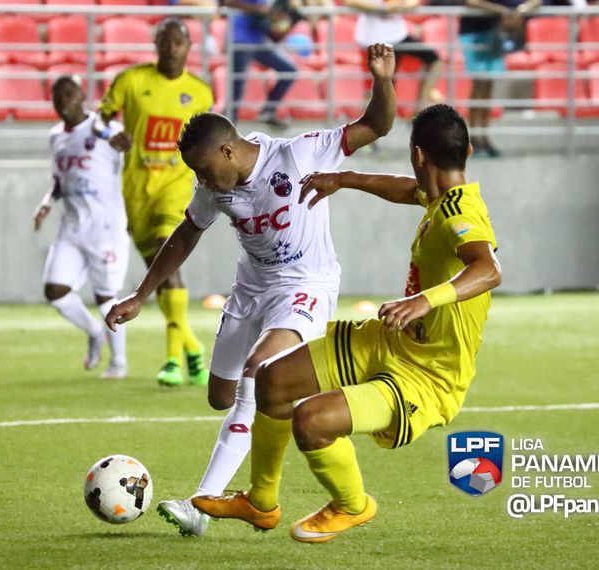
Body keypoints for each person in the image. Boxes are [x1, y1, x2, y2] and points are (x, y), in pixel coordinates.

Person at [105, 43, 397, 538]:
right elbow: (187, 233)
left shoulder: (297, 154)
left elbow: (377, 125)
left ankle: (202, 504)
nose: (200, 181)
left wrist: (383, 79)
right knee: (221, 396)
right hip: (251, 289)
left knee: (256, 376)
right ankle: (307, 380)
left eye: (202, 170)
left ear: (227, 150)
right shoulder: (213, 188)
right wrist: (140, 294)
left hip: (306, 286)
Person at [192, 103, 502, 543]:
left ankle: (352, 505)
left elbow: (488, 270)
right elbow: (402, 189)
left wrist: (423, 302)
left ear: (417, 155)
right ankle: (260, 502)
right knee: (273, 378)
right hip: (390, 341)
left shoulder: (459, 214)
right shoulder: (439, 197)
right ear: (466, 150)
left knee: (312, 421)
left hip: (427, 376)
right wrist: (345, 179)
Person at [97, 18, 214, 386]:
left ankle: (172, 361)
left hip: (177, 188)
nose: (171, 48)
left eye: (178, 42)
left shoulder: (199, 92)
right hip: (137, 190)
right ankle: (192, 347)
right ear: (156, 44)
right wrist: (113, 134)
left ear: (188, 47)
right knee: (160, 274)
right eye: (164, 41)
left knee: (169, 258)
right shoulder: (131, 81)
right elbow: (99, 120)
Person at [34, 76, 131, 379]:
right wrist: (47, 203)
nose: (63, 100)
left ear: (81, 96)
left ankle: (119, 362)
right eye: (57, 95)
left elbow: (129, 153)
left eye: (68, 94)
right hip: (72, 227)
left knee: (106, 297)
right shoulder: (55, 137)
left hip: (105, 229)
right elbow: (59, 180)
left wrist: (127, 146)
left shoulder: (105, 130)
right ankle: (93, 332)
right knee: (55, 290)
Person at [459, 0, 539, 157]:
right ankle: (474, 139)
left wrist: (520, 10)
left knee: (488, 88)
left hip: (494, 34)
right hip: (474, 34)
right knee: (479, 87)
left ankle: (484, 138)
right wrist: (501, 10)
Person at [343, 0, 443, 109]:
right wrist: (383, 8)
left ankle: (420, 107)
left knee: (434, 60)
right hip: (373, 39)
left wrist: (404, 6)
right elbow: (350, 2)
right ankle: (372, 122)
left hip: (398, 35)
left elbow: (413, 2)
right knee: (378, 87)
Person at [220, 0, 298, 129]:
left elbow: (268, 20)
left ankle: (268, 112)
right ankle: (226, 125)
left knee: (289, 70)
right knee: (237, 87)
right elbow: (227, 2)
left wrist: (279, 19)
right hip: (240, 40)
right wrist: (260, 10)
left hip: (259, 39)